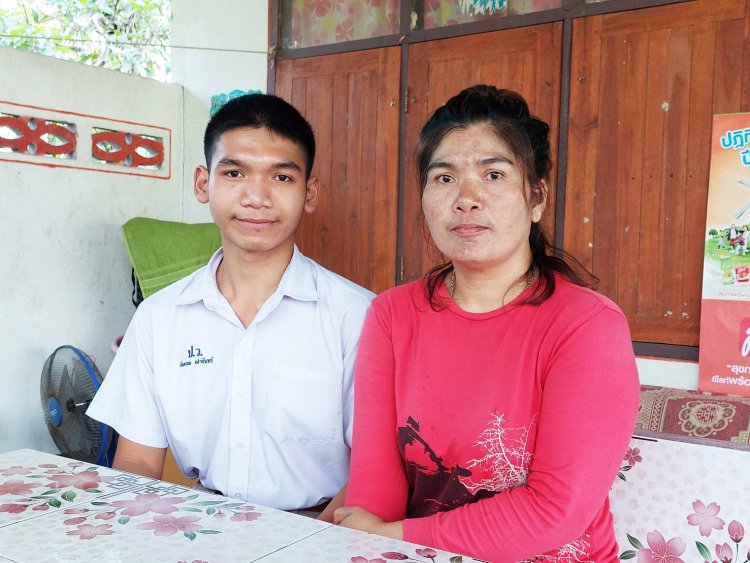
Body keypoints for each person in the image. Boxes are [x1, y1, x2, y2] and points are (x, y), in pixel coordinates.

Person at [334, 85, 640, 561]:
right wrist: (376, 539)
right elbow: (376, 488)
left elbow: (553, 511)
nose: (466, 198)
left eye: (494, 174)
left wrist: (389, 536)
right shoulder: (392, 315)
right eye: (444, 178)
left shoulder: (586, 326)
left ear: (537, 197)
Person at [88, 93, 374, 522]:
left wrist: (309, 543)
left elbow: (375, 471)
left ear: (309, 192)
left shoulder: (357, 316)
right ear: (204, 184)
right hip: (200, 529)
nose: (256, 197)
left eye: (281, 178)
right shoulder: (159, 317)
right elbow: (137, 465)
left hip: (321, 533)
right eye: (235, 172)